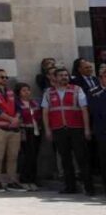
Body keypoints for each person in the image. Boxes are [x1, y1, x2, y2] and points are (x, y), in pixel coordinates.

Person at [42, 67, 93, 195]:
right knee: (65, 159)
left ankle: (89, 187)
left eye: (66, 75)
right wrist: (48, 130)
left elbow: (84, 109)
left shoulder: (77, 89)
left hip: (76, 128)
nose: (64, 77)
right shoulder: (49, 92)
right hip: (59, 129)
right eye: (61, 75)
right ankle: (70, 187)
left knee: (82, 158)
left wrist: (87, 128)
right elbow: (45, 112)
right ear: (55, 78)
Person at [0, 69, 25, 193]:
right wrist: (11, 119)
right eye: (1, 77)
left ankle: (12, 181)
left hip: (13, 129)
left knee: (13, 156)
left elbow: (19, 107)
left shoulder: (10, 92)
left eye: (6, 77)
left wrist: (17, 118)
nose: (4, 79)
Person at [15, 82, 42, 191]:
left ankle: (33, 179)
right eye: (24, 90)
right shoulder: (17, 103)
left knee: (34, 155)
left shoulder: (34, 102)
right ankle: (24, 179)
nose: (27, 92)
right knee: (26, 156)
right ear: (19, 93)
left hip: (36, 131)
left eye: (28, 90)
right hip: (25, 130)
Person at [86, 68, 106, 194]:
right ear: (100, 78)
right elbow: (94, 111)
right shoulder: (94, 92)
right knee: (104, 159)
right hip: (102, 130)